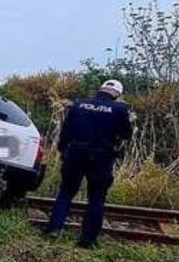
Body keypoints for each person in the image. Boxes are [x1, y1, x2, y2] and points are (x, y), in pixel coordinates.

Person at [44, 79, 134, 248]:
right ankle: (87, 240)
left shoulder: (79, 105)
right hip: (102, 158)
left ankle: (54, 229)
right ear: (117, 94)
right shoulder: (120, 110)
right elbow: (126, 135)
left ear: (101, 90)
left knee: (66, 192)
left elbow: (65, 131)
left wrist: (63, 151)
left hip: (75, 154)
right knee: (96, 198)